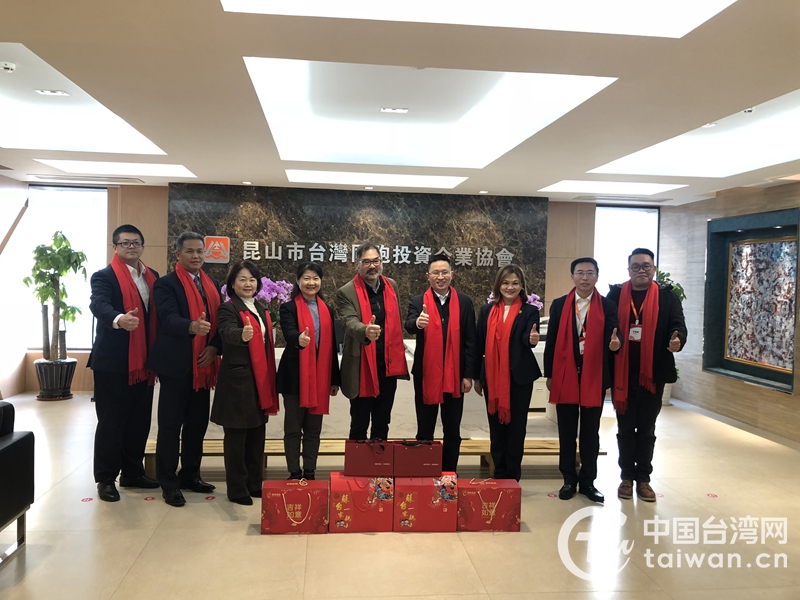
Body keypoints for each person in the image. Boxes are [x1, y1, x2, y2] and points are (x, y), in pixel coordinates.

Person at [146, 231, 222, 507]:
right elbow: (168, 318)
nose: (196, 256)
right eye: (190, 251)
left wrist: (214, 347)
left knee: (196, 425)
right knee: (170, 425)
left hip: (203, 364)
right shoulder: (165, 284)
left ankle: (190, 474)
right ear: (178, 254)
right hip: (176, 365)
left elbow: (220, 321)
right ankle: (168, 483)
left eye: (200, 251)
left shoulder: (212, 284)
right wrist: (192, 326)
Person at [607, 248, 687, 502]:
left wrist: (677, 341)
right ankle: (626, 478)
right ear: (628, 270)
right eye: (636, 266)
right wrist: (612, 340)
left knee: (647, 429)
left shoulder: (666, 296)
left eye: (646, 266)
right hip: (623, 374)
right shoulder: (616, 294)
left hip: (652, 375)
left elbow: (678, 325)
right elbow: (608, 326)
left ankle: (643, 479)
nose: (641, 270)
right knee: (625, 428)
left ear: (653, 268)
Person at [88, 224, 160, 502]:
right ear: (115, 247)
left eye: (136, 242)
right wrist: (119, 319)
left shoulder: (152, 276)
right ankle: (106, 478)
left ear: (142, 246)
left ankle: (132, 472)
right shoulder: (104, 276)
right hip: (114, 362)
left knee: (139, 420)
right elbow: (98, 304)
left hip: (144, 362)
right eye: (125, 243)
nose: (131, 246)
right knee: (111, 421)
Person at [544, 257, 621, 504]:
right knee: (566, 432)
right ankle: (568, 479)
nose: (585, 277)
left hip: (594, 376)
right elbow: (552, 341)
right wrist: (550, 374)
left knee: (590, 433)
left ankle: (588, 482)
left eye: (590, 273)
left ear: (597, 276)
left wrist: (615, 345)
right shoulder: (559, 305)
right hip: (565, 374)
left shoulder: (608, 305)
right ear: (572, 277)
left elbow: (614, 337)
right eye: (580, 272)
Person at [211, 260, 279, 505]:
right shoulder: (228, 308)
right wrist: (242, 334)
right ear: (232, 284)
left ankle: (254, 483)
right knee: (237, 438)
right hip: (237, 381)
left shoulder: (261, 308)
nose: (248, 284)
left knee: (257, 434)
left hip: (261, 379)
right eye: (242, 279)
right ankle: (237, 489)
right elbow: (226, 332)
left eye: (252, 279)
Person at [406, 254, 477, 473]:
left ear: (452, 274)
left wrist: (468, 375)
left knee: (452, 430)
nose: (440, 277)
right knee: (425, 428)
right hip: (426, 375)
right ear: (427, 276)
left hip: (455, 375)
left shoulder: (464, 302)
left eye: (444, 272)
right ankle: (424, 472)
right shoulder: (418, 301)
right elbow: (409, 324)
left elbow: (470, 340)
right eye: (435, 273)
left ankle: (448, 473)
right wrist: (418, 323)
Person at [473, 264, 541, 481]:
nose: (510, 287)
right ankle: (499, 475)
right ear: (498, 285)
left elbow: (527, 339)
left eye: (515, 283)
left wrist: (532, 339)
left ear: (522, 286)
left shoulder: (530, 311)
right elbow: (479, 344)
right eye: (505, 283)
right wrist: (477, 377)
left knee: (516, 429)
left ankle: (512, 477)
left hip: (519, 378)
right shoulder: (487, 311)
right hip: (492, 377)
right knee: (496, 429)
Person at [336, 243, 409, 440]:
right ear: (357, 265)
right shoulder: (346, 292)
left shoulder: (391, 286)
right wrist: (365, 330)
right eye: (366, 262)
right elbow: (348, 321)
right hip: (361, 368)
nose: (372, 266)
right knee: (359, 424)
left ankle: (379, 459)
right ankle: (358, 460)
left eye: (376, 261)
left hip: (387, 366)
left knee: (382, 422)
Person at [277, 262, 341, 480]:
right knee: (293, 429)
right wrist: (299, 339)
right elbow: (289, 332)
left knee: (313, 430)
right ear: (298, 281)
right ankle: (294, 472)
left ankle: (310, 472)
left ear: (320, 281)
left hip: (321, 378)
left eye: (315, 278)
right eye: (306, 278)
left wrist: (334, 379)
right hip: (295, 377)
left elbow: (332, 346)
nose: (311, 282)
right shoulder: (288, 308)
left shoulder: (327, 309)